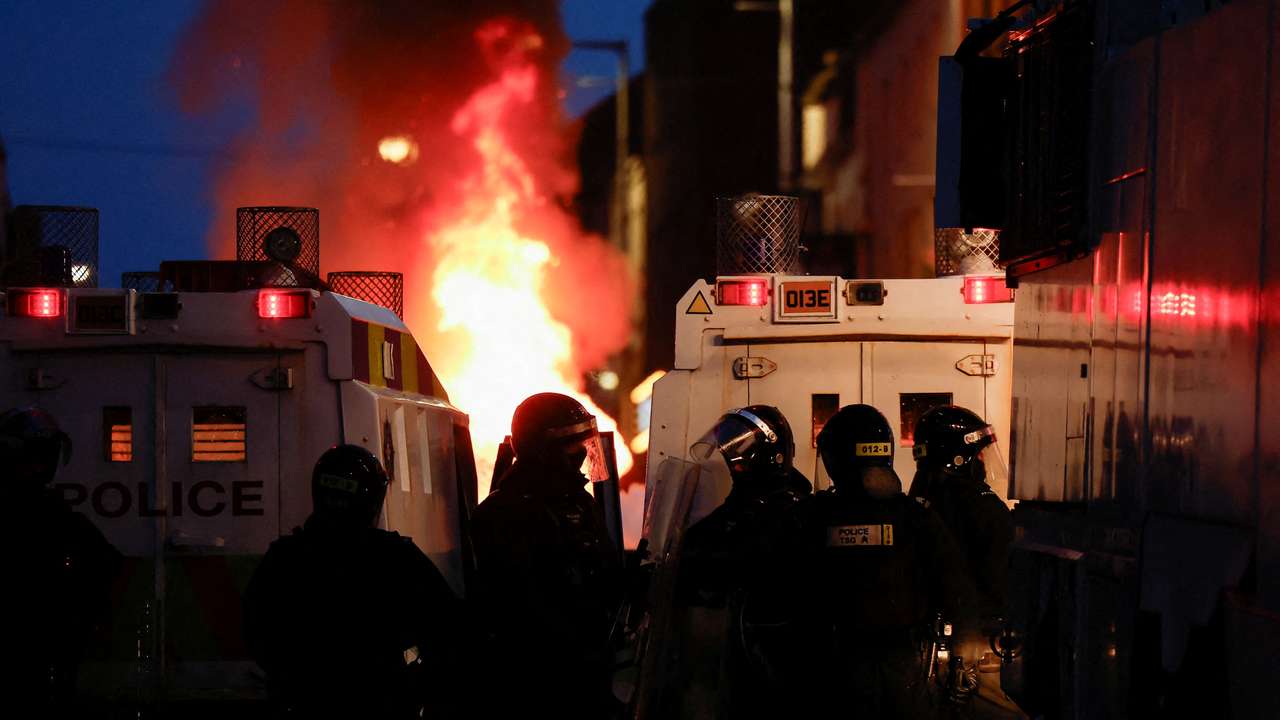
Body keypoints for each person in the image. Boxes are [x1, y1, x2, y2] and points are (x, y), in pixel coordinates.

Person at [243, 444, 463, 719]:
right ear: (373, 499)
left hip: (303, 705)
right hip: (380, 706)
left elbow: (255, 630)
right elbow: (447, 628)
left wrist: (293, 677)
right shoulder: (395, 557)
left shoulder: (285, 556)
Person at [783, 404, 975, 719]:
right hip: (906, 667)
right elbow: (956, 586)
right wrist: (963, 659)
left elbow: (784, 588)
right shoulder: (917, 515)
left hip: (829, 666)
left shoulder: (810, 517)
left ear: (835, 459)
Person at [470, 392, 623, 720]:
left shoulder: (581, 504)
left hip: (588, 672)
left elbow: (603, 570)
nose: (582, 452)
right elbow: (522, 606)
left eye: (584, 441)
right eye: (571, 443)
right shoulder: (503, 513)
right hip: (539, 683)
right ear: (541, 450)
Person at [665, 405, 810, 718]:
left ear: (768, 455)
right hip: (728, 665)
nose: (733, 463)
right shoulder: (732, 515)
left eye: (738, 453)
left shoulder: (796, 515)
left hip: (777, 666)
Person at [3, 406, 121, 709]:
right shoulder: (54, 515)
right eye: (37, 455)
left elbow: (103, 562)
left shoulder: (55, 515)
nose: (41, 465)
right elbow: (106, 562)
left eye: (45, 455)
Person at [910, 405, 1023, 718]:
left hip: (925, 648)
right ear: (959, 459)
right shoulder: (985, 509)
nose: (985, 461)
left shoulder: (918, 505)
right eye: (980, 453)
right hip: (978, 646)